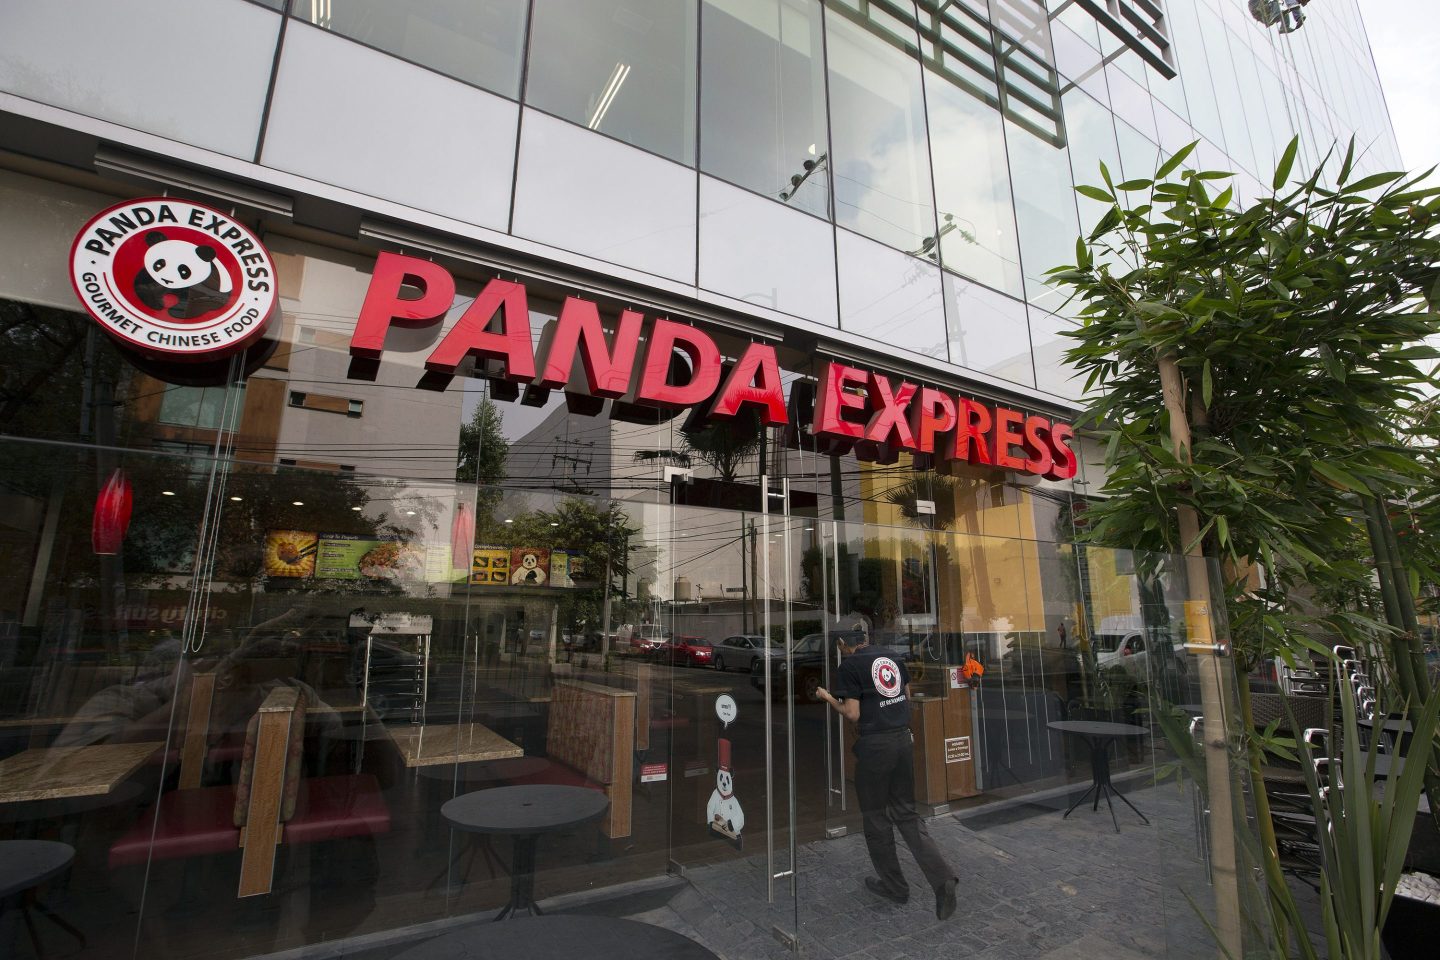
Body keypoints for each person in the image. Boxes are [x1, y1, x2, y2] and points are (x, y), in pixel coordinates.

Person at [816, 634, 958, 919]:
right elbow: (905, 696)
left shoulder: (850, 665)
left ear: (843, 641)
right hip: (902, 740)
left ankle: (895, 886)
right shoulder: (893, 656)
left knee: (876, 817)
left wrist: (828, 697)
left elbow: (852, 713)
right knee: (906, 813)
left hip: (875, 747)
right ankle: (942, 878)